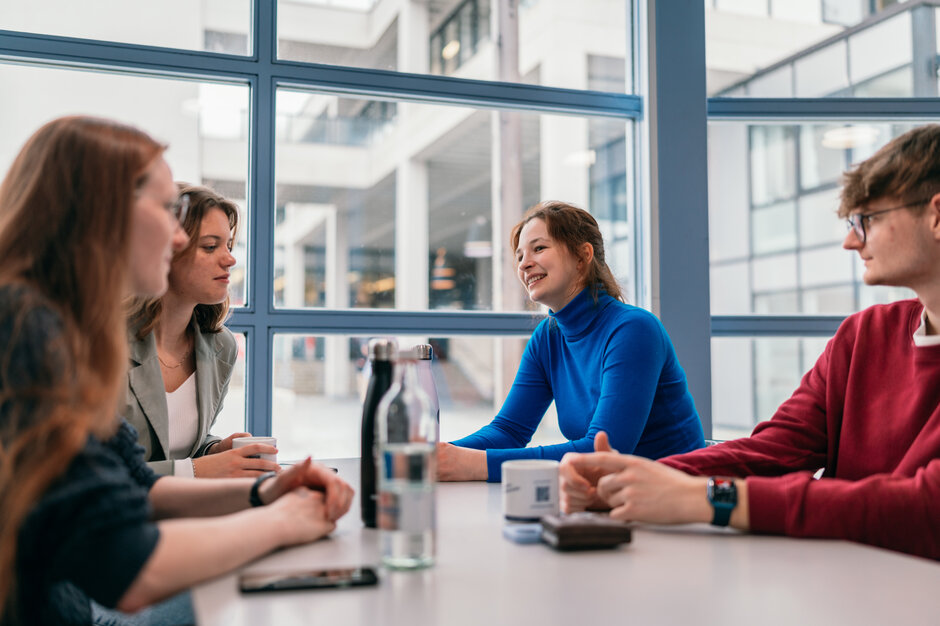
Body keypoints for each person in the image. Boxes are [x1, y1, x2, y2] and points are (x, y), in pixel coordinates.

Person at [0, 116, 354, 626]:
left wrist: (263, 491)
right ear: (102, 211)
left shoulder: (58, 327)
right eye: (169, 211)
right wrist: (283, 520)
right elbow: (128, 568)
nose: (179, 237)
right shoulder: (24, 328)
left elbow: (137, 483)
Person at [558, 125, 940, 561]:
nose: (851, 240)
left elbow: (926, 510)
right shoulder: (863, 336)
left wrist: (708, 499)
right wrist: (633, 479)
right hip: (844, 585)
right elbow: (775, 451)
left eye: (867, 220)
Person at [438, 201, 705, 482]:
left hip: (677, 500)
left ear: (582, 255)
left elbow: (604, 452)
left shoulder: (633, 329)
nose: (524, 264)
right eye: (519, 256)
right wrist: (438, 456)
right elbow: (508, 431)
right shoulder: (547, 337)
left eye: (539, 248)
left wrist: (470, 465)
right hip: (611, 498)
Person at [124, 183, 269, 478]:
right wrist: (196, 470)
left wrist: (214, 451)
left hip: (183, 512)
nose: (230, 259)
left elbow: (174, 446)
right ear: (164, 250)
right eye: (210, 247)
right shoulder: (104, 343)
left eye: (229, 246)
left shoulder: (220, 347)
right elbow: (93, 474)